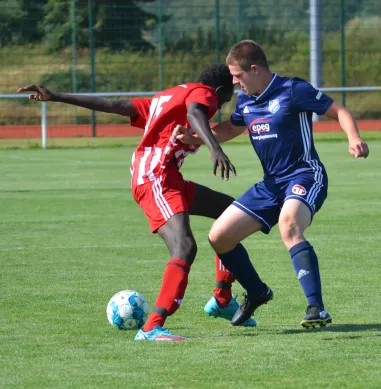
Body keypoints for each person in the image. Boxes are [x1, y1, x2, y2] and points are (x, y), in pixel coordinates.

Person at [17, 63, 256, 342]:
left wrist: (57, 96)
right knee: (184, 246)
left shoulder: (167, 97)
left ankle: (222, 300)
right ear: (218, 89)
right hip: (155, 178)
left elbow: (114, 104)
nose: (233, 92)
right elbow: (195, 112)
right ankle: (152, 327)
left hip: (167, 177)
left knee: (231, 215)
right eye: (232, 87)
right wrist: (216, 149)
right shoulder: (204, 94)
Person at [173, 40, 370, 328]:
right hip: (270, 185)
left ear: (254, 70)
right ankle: (256, 292)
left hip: (304, 175)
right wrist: (190, 138)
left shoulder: (293, 89)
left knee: (289, 225)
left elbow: (339, 111)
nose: (235, 84)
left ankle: (316, 307)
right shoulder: (246, 100)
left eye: (238, 77)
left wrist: (353, 138)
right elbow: (229, 129)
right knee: (219, 237)